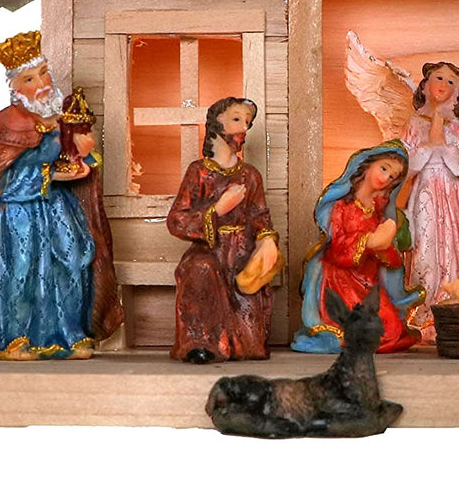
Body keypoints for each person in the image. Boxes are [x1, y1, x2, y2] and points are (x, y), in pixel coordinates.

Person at [0, 31, 123, 360]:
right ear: (15, 88)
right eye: (30, 78)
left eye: (44, 73)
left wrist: (83, 158)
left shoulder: (60, 119)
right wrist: (51, 174)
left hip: (57, 208)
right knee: (19, 271)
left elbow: (76, 154)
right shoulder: (6, 126)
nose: (42, 83)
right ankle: (9, 337)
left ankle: (67, 334)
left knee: (73, 259)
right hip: (18, 214)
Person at [341, 33, 459, 341]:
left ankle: (458, 304)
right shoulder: (414, 123)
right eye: (438, 78)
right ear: (424, 85)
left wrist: (446, 148)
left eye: (451, 82)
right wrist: (427, 147)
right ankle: (424, 310)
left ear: (458, 92)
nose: (444, 85)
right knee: (426, 245)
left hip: (455, 195)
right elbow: (402, 165)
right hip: (425, 192)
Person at [168, 97, 279, 363]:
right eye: (237, 119)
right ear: (217, 123)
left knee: (248, 282)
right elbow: (176, 220)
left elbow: (261, 217)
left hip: (241, 251)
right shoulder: (199, 172)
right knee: (201, 269)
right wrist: (217, 209)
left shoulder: (250, 175)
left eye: (247, 122)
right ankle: (200, 343)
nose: (244, 127)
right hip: (209, 249)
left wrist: (267, 242)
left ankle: (242, 343)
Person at [291, 142, 423, 354]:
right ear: (366, 166)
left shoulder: (379, 211)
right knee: (365, 331)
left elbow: (390, 257)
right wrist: (369, 241)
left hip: (369, 280)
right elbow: (337, 248)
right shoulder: (342, 207)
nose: (386, 178)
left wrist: (384, 245)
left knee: (392, 330)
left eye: (392, 177)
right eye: (384, 168)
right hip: (340, 279)